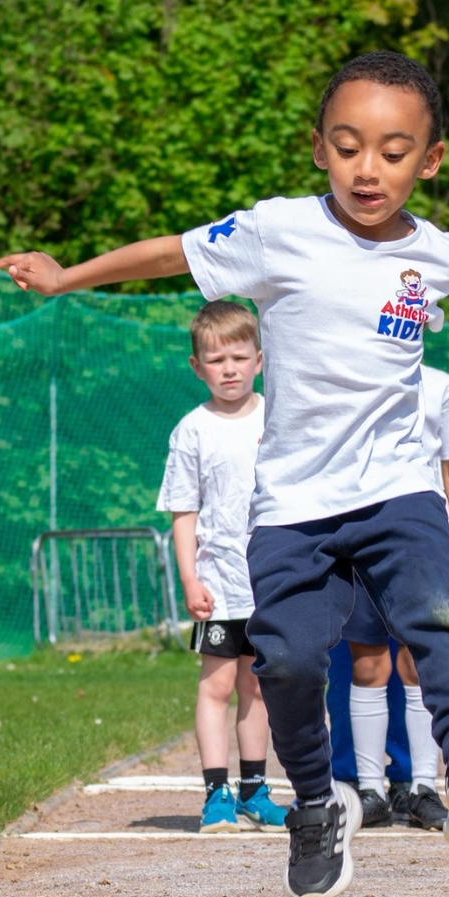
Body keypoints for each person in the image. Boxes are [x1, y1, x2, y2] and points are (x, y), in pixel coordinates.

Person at [0, 49, 449, 897]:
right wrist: (67, 277)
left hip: (397, 488)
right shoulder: (279, 230)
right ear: (319, 149)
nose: (368, 168)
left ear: (431, 159)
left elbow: (406, 319)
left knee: (435, 615)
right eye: (348, 147)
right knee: (287, 661)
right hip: (295, 505)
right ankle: (314, 807)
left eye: (392, 151)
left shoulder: (438, 256)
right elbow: (172, 251)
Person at [156, 300, 287, 834]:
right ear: (196, 366)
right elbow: (183, 510)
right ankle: (217, 794)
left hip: (271, 582)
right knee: (216, 687)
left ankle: (256, 789)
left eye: (238, 356)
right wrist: (190, 577)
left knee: (258, 687)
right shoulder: (192, 430)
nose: (228, 368)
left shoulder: (278, 413)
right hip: (219, 586)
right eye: (215, 359)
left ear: (259, 359)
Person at [334, 364, 449, 832]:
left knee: (419, 661)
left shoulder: (441, 387)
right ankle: (371, 789)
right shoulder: (353, 376)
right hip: (358, 535)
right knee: (368, 663)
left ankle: (422, 787)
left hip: (423, 541)